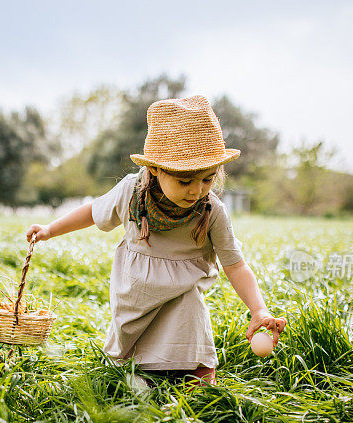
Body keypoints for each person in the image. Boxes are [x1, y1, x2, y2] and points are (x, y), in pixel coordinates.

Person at [26, 95, 287, 387]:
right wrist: (50, 229)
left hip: (183, 295)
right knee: (137, 360)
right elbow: (93, 211)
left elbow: (236, 265)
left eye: (207, 179)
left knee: (192, 324)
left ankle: (199, 381)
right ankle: (143, 377)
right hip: (137, 295)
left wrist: (258, 310)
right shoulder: (132, 193)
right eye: (185, 181)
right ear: (155, 169)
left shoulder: (211, 211)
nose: (196, 191)